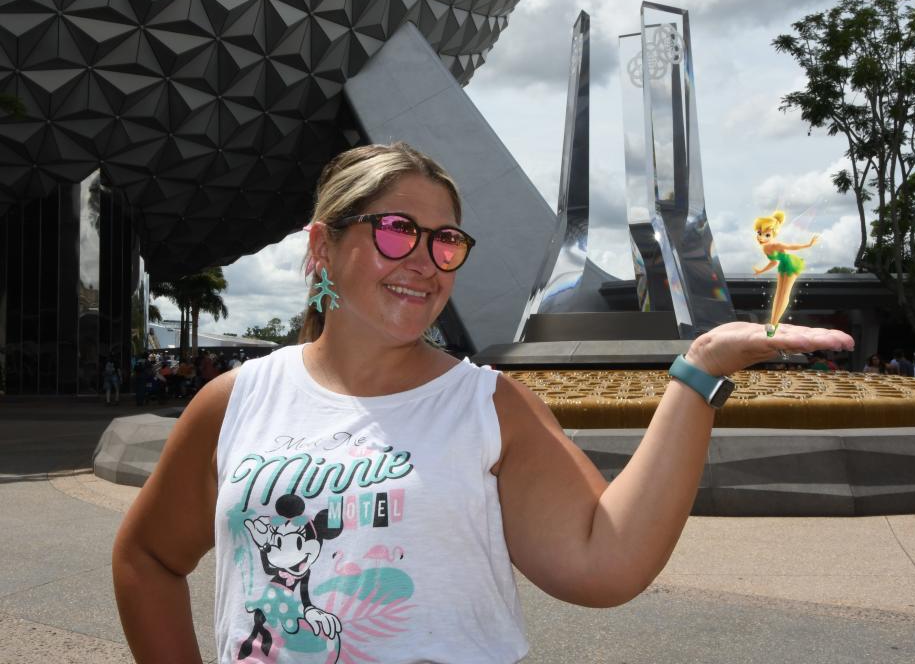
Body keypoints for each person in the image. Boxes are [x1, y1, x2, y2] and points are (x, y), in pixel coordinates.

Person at [112, 143, 853, 664]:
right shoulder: (235, 401)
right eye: (397, 230)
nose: (423, 262)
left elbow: (608, 559)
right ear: (323, 248)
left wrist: (697, 375)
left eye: (444, 242)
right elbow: (147, 556)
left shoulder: (489, 407)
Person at [751, 210, 819, 337]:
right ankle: (772, 323)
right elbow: (773, 263)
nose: (761, 237)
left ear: (773, 234)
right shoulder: (765, 248)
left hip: (791, 264)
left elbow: (792, 247)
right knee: (778, 294)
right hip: (782, 265)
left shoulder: (776, 244)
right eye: (759, 233)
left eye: (766, 235)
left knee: (784, 293)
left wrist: (808, 245)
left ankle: (774, 325)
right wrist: (761, 270)